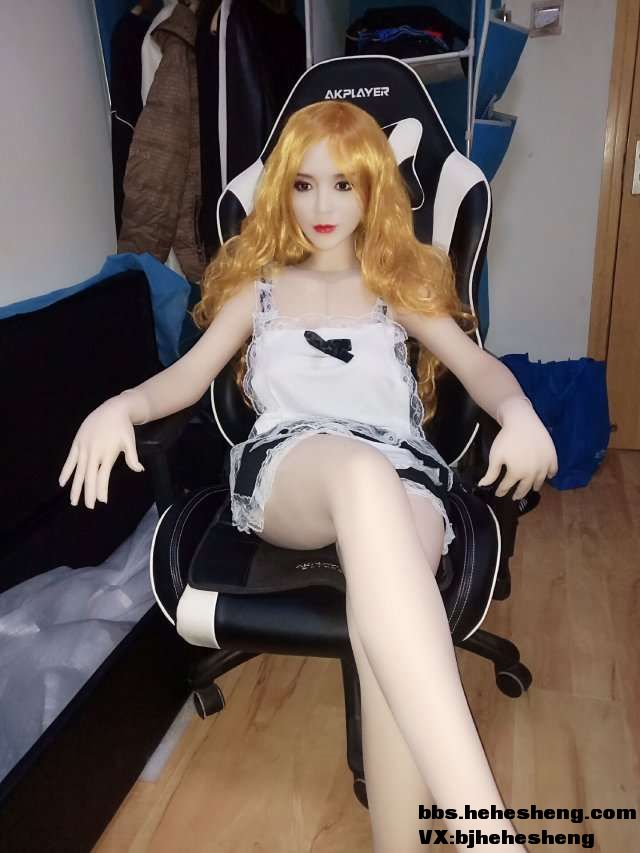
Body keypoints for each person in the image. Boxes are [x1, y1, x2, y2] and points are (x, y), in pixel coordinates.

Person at [60, 101, 556, 851]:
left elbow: (477, 366)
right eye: (304, 184)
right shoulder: (259, 287)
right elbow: (186, 379)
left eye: (344, 185)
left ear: (373, 190)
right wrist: (120, 407)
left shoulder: (395, 285)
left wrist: (518, 411)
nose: (323, 205)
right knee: (362, 478)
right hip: (296, 468)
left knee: (395, 633)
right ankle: (491, 837)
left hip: (406, 477)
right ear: (282, 191)